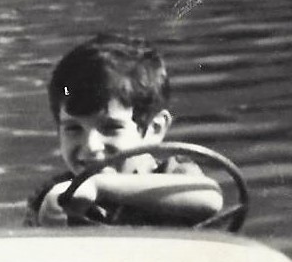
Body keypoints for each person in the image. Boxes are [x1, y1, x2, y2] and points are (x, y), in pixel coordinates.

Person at [26, 33, 223, 228]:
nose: (91, 146)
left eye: (111, 127)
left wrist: (99, 186)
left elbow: (209, 197)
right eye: (73, 128)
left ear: (154, 129)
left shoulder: (173, 174)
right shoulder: (54, 195)